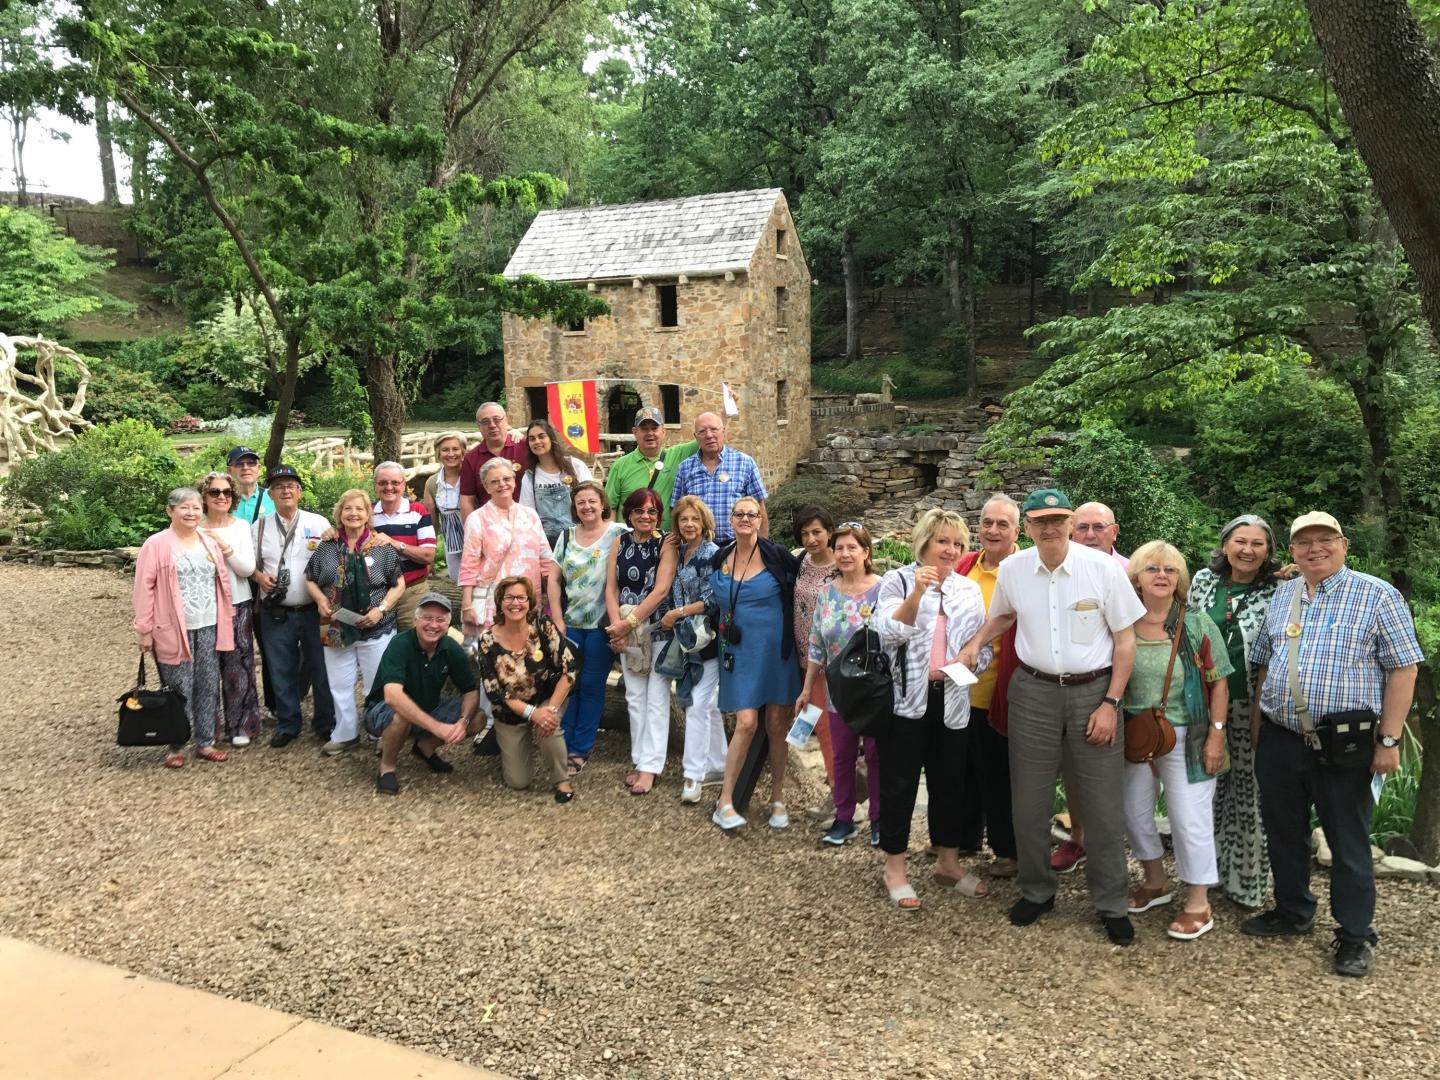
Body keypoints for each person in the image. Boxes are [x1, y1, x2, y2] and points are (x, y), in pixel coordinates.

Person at [958, 488, 1145, 945]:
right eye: (1040, 521)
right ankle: (1038, 891)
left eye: (1058, 520)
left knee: (1101, 804)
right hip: (1034, 692)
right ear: (1028, 527)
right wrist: (974, 644)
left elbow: (1125, 641)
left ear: (1068, 522)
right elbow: (1001, 617)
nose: (1050, 528)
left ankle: (1110, 902)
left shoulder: (1101, 569)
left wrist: (1111, 703)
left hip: (1094, 693)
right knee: (1030, 799)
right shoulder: (1015, 569)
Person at [1243, 511, 1422, 978]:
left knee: (1347, 840)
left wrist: (1389, 739)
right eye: (1304, 543)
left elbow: (1404, 669)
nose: (1314, 549)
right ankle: (1294, 910)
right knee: (1283, 831)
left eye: (1325, 540)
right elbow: (1264, 663)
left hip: (1346, 743)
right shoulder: (1285, 595)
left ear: (1343, 544)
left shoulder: (1377, 595)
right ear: (1293, 551)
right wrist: (1260, 727)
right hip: (1281, 737)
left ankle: (1355, 934)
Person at [873, 509, 990, 909]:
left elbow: (982, 647)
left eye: (957, 543)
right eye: (943, 541)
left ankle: (948, 862)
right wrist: (917, 594)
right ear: (924, 541)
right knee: (900, 784)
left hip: (953, 699)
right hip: (906, 700)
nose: (950, 550)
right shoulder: (898, 580)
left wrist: (973, 658)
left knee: (950, 782)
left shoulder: (968, 590)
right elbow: (887, 634)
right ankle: (895, 867)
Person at [1122, 541, 1231, 941]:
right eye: (1152, 569)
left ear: (1180, 578)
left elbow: (1219, 683)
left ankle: (1199, 902)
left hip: (1190, 733)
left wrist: (1216, 737)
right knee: (1132, 813)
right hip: (1136, 733)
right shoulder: (1122, 622)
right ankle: (1155, 881)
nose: (1162, 576)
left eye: (1170, 570)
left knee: (1189, 820)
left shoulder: (1197, 623)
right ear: (1136, 576)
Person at [1187, 514, 1283, 909]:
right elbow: (1186, 632)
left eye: (1257, 544)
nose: (1247, 550)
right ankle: (1201, 877)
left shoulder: (1281, 590)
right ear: (1225, 545)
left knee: (1249, 794)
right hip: (1202, 703)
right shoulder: (1202, 582)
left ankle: (1246, 881)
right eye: (1240, 541)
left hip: (1251, 706)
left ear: (1269, 552)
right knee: (1204, 793)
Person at [708, 495, 801, 830]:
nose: (745, 519)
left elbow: (807, 584)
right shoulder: (720, 556)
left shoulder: (777, 557)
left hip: (776, 653)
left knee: (777, 725)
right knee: (746, 723)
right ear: (730, 520)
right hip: (737, 652)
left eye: (752, 514)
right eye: (739, 514)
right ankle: (725, 801)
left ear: (761, 520)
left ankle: (778, 797)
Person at [132, 487, 236, 768]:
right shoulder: (156, 544)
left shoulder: (207, 542)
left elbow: (222, 581)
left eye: (195, 508)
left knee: (207, 683)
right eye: (184, 508)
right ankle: (176, 744)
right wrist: (144, 628)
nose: (191, 513)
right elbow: (144, 587)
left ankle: (205, 741)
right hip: (173, 626)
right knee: (178, 687)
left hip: (209, 623)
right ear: (170, 511)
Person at [1052, 499, 1128, 873]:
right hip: (1077, 685)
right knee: (1075, 771)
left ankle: (1118, 853)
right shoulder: (1057, 570)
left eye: (1099, 527)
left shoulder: (1132, 571)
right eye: (1082, 527)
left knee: (1127, 776)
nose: (1090, 534)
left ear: (1115, 531)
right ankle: (1079, 838)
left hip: (1126, 687)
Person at [797, 522, 883, 847]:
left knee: (876, 756)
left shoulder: (883, 589)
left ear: (866, 552)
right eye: (840, 548)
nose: (845, 554)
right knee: (842, 756)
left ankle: (879, 818)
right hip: (838, 692)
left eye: (852, 548)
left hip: (874, 689)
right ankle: (844, 818)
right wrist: (807, 689)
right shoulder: (827, 593)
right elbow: (816, 645)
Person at [305, 489, 407, 756]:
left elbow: (399, 585)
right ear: (339, 513)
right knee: (339, 684)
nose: (353, 514)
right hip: (335, 625)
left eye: (359, 509)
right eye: (348, 508)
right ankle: (346, 734)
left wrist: (382, 609)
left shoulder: (381, 546)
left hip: (377, 626)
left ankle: (379, 732)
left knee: (378, 684)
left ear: (367, 514)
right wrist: (319, 599)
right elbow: (310, 579)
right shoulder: (326, 546)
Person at [954, 494, 1021, 876]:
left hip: (1003, 686)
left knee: (998, 773)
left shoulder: (1022, 570)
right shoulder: (967, 565)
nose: (993, 530)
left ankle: (1007, 850)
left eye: (1002, 524)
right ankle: (965, 836)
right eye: (987, 522)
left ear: (1016, 531)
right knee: (965, 766)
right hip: (963, 689)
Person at [252, 465, 336, 748]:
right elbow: (249, 565)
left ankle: (326, 722)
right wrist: (259, 576)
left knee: (322, 667)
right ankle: (288, 723)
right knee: (280, 668)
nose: (286, 490)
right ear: (271, 494)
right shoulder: (260, 526)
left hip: (314, 610)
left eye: (291, 485)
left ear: (299, 492)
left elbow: (336, 560)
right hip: (277, 612)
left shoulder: (318, 522)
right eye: (279, 486)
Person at [473, 576, 578, 803]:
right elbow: (495, 692)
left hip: (546, 697)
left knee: (549, 725)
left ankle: (561, 780)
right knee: (518, 782)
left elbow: (569, 669)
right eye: (509, 598)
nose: (515, 603)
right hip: (511, 710)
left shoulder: (544, 626)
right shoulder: (487, 640)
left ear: (530, 602)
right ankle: (506, 741)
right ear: (500, 602)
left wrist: (547, 711)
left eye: (521, 597)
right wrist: (532, 714)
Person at [365, 592, 480, 795]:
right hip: (382, 710)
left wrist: (462, 722)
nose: (433, 625)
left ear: (448, 623)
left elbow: (470, 691)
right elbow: (392, 696)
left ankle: (424, 747)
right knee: (401, 716)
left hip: (429, 706)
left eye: (440, 620)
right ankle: (387, 768)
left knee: (478, 718)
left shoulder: (451, 647)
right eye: (427, 618)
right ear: (415, 620)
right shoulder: (399, 644)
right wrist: (437, 727)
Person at [547, 480, 624, 776]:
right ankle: (562, 741)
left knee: (591, 686)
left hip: (602, 624)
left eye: (592, 501)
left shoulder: (618, 533)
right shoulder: (566, 536)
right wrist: (557, 617)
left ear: (603, 503)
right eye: (581, 502)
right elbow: (553, 578)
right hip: (573, 623)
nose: (587, 507)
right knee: (570, 684)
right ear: (574, 507)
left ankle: (580, 747)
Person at [605, 487, 679, 796]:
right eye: (639, 511)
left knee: (656, 696)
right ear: (629, 514)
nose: (645, 516)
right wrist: (616, 627)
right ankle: (639, 758)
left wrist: (627, 625)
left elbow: (662, 590)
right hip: (625, 628)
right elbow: (610, 588)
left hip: (657, 628)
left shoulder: (667, 543)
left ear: (658, 515)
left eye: (651, 511)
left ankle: (651, 766)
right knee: (635, 695)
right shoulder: (619, 542)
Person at [659, 494, 725, 804]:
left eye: (694, 519)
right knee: (705, 705)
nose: (688, 524)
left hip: (707, 639)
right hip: (686, 639)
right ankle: (720, 763)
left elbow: (713, 601)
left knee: (696, 704)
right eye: (683, 519)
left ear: (704, 523)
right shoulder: (682, 552)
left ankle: (693, 775)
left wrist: (677, 614)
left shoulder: (712, 554)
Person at [197, 470, 260, 747]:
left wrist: (225, 548)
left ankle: (241, 724)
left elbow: (248, 569)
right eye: (214, 492)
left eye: (226, 492)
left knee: (239, 665)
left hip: (237, 603)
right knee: (206, 668)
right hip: (204, 607)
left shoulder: (241, 526)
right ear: (204, 497)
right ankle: (208, 728)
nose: (221, 497)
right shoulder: (193, 527)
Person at [459, 456, 554, 631]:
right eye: (494, 481)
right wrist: (467, 605)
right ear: (486, 487)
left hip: (529, 600)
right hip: (494, 601)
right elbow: (468, 565)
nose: (502, 484)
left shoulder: (530, 515)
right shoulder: (477, 518)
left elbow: (546, 559)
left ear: (514, 481)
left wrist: (553, 600)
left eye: (506, 479)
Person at [791, 506, 840, 822]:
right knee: (817, 725)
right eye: (806, 533)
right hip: (803, 659)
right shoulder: (801, 562)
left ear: (829, 532)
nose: (811, 539)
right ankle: (839, 787)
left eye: (817, 532)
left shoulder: (843, 564)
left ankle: (839, 794)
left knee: (828, 728)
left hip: (831, 662)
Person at [670, 412, 768, 542]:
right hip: (698, 548)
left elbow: (759, 508)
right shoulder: (685, 468)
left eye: (714, 429)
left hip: (736, 547)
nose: (709, 435)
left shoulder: (745, 463)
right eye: (702, 431)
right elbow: (676, 509)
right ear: (696, 437)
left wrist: (763, 546)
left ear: (723, 431)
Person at [604, 405, 698, 531]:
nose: (650, 433)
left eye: (654, 428)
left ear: (663, 432)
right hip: (631, 542)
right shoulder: (620, 466)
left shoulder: (677, 455)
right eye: (644, 429)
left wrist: (731, 410)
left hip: (666, 541)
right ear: (635, 432)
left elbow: (708, 437)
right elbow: (610, 507)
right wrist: (614, 538)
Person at [370, 461, 436, 631]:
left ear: (404, 485)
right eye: (383, 483)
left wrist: (394, 543)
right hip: (378, 594)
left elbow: (428, 556)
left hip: (412, 591)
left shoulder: (418, 512)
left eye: (395, 483)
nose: (389, 487)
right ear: (375, 486)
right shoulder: (367, 514)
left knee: (414, 642)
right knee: (381, 647)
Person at [518, 418, 594, 547]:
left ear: (551, 438)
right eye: (532, 439)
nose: (537, 442)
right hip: (547, 544)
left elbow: (593, 499)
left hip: (579, 539)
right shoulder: (530, 477)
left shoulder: (575, 466)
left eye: (541, 436)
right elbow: (527, 516)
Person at [459, 401, 531, 519]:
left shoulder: (525, 447)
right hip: (489, 525)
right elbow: (467, 500)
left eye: (497, 420)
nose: (492, 425)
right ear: (479, 426)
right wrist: (471, 530)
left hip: (525, 522)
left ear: (506, 421)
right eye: (485, 422)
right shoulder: (471, 458)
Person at [422, 432, 468, 586]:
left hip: (476, 540)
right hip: (452, 543)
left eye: (455, 449)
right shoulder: (432, 483)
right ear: (438, 454)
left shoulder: (473, 475)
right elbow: (432, 523)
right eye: (445, 450)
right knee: (459, 583)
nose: (451, 454)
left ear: (463, 452)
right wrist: (430, 554)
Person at [226, 446, 274, 524]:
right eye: (239, 464)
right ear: (229, 471)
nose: (245, 467)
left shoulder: (274, 497)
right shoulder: (221, 500)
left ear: (258, 468)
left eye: (251, 463)